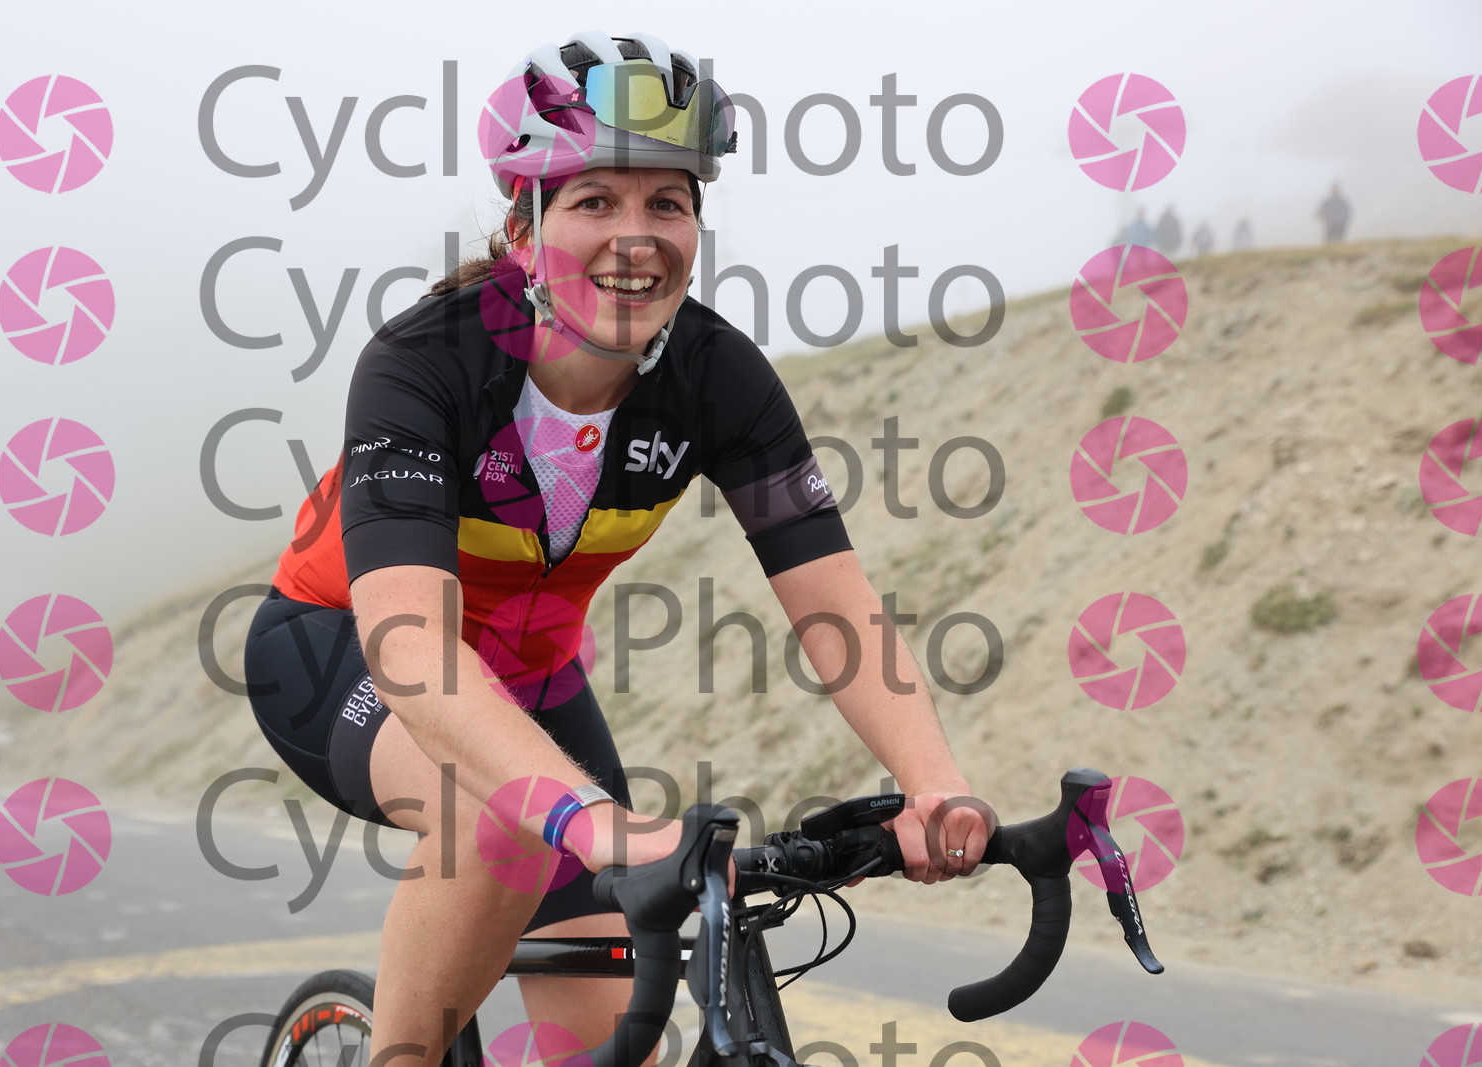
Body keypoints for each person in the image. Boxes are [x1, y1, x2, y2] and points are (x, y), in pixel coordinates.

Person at [244, 32, 993, 1067]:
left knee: (609, 1044)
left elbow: (837, 608)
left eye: (668, 204)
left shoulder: (720, 381)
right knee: (505, 816)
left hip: (533, 680)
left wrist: (933, 782)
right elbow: (410, 646)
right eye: (595, 200)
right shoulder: (423, 364)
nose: (636, 238)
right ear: (523, 226)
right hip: (338, 652)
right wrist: (594, 821)